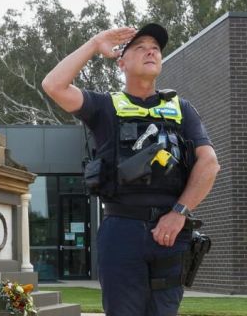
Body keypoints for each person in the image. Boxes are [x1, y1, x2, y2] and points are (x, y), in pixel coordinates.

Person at [42, 23, 220, 316]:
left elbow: (209, 163)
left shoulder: (181, 109)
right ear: (121, 62)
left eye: (156, 48)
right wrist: (94, 42)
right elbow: (53, 85)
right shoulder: (104, 107)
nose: (151, 51)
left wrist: (178, 214)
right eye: (140, 47)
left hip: (171, 231)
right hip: (121, 230)